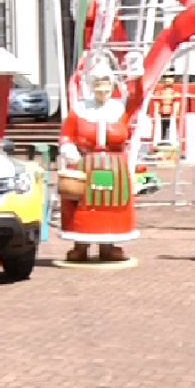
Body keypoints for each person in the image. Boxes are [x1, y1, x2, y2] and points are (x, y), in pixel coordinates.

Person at [57, 57, 145, 262]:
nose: (102, 88)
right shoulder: (78, 110)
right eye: (97, 83)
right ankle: (80, 245)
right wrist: (68, 147)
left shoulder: (120, 108)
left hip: (114, 167)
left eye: (106, 83)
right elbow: (66, 135)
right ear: (90, 85)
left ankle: (109, 244)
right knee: (82, 205)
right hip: (85, 165)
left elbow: (137, 97)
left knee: (111, 204)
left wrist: (137, 77)